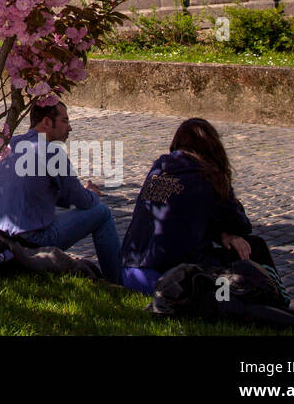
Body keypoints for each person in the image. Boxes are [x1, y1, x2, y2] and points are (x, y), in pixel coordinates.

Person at [119, 117, 279, 295]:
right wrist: (227, 231)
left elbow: (182, 215)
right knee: (253, 248)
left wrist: (221, 233)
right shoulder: (206, 176)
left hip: (131, 271)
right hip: (173, 279)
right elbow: (240, 224)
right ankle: (276, 298)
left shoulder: (159, 168)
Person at [0, 100, 121, 284]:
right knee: (102, 213)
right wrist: (92, 193)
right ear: (46, 122)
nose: (69, 128)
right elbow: (82, 201)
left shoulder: (12, 143)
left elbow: (43, 192)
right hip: (30, 241)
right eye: (65, 120)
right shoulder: (51, 152)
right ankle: (117, 281)